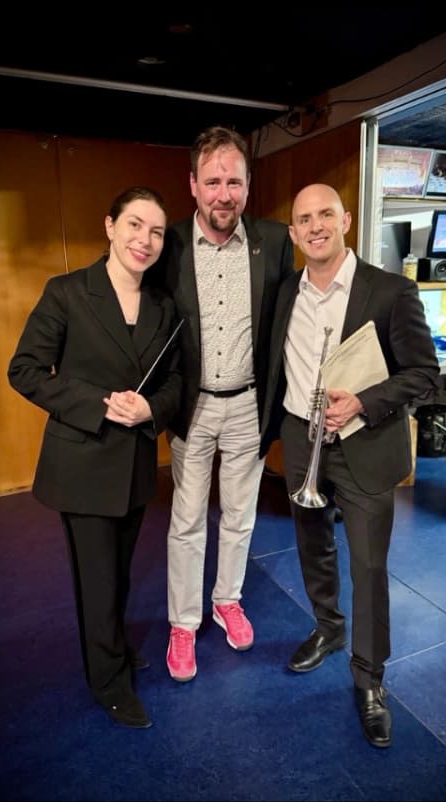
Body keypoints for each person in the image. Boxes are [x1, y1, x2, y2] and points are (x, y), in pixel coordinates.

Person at [263, 183, 440, 748]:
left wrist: (363, 401)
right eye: (304, 219)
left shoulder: (390, 291)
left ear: (344, 221)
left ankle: (369, 678)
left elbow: (425, 374)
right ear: (293, 233)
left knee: (367, 566)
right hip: (301, 437)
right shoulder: (284, 292)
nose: (315, 226)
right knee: (312, 545)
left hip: (365, 442)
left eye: (325, 215)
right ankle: (328, 628)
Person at [8, 187, 183, 729]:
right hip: (82, 464)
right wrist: (101, 405)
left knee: (120, 574)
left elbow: (176, 381)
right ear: (110, 226)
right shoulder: (66, 292)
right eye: (134, 225)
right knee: (98, 578)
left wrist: (150, 408)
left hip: (134, 464)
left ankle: (112, 649)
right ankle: (108, 682)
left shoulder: (164, 306)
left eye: (156, 232)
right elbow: (24, 371)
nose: (144, 240)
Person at [153, 126, 294, 682]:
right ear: (192, 185)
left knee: (239, 516)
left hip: (249, 406)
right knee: (187, 520)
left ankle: (226, 600)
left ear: (248, 185)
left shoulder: (274, 241)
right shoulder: (169, 244)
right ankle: (183, 623)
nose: (224, 194)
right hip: (192, 407)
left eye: (234, 182)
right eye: (212, 182)